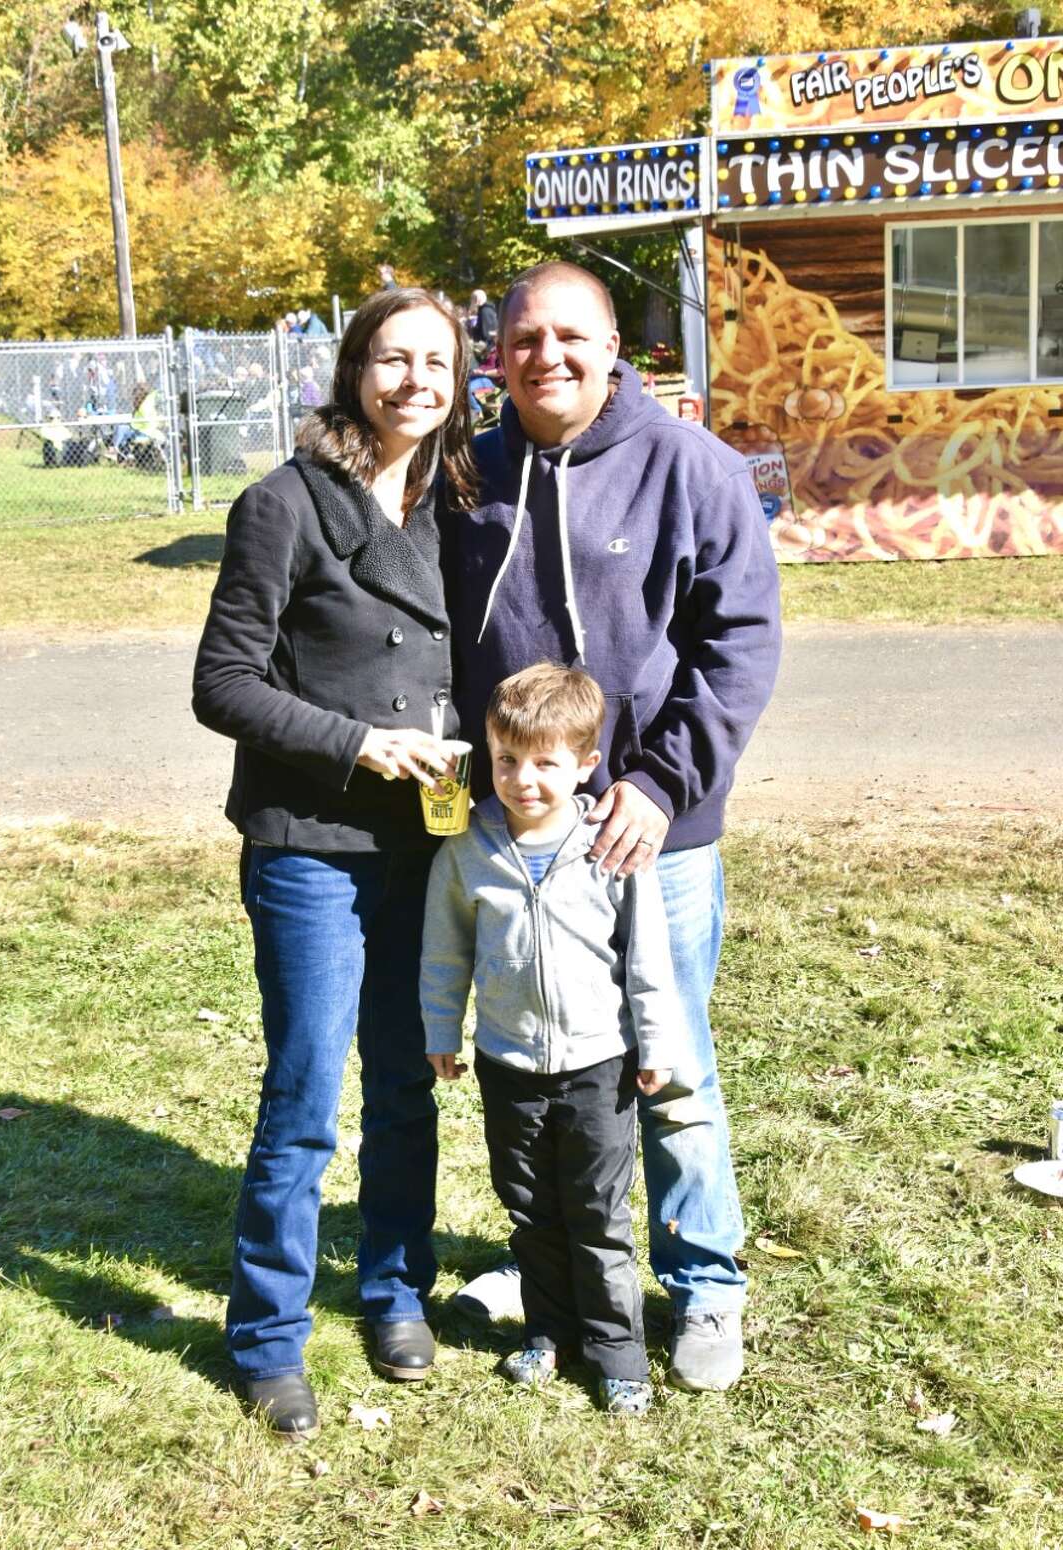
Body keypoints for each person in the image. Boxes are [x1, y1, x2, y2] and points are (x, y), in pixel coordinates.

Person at [443, 260, 782, 1392]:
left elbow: (739, 643)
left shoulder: (692, 468)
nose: (547, 356)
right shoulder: (469, 472)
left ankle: (705, 1279)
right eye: (524, 338)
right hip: (520, 834)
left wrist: (662, 782)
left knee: (667, 1059)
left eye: (571, 335)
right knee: (539, 1065)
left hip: (654, 833)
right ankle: (547, 1269)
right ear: (498, 354)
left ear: (614, 347)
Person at [192, 286, 478, 1439]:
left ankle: (395, 1288)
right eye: (393, 358)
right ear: (355, 369)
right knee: (307, 1094)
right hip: (312, 843)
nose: (415, 379)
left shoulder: (460, 504)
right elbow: (223, 683)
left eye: (438, 362)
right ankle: (266, 1332)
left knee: (409, 1081)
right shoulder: (285, 504)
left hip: (432, 836)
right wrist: (362, 742)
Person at [422, 664, 681, 1417]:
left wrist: (656, 1041)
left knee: (597, 1215)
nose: (523, 779)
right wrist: (443, 1027)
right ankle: (549, 1332)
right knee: (529, 1206)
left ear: (585, 766)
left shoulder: (609, 846)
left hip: (598, 1065)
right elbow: (445, 951)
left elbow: (646, 954)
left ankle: (616, 1352)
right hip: (507, 1063)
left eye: (545, 763)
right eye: (506, 760)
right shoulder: (467, 848)